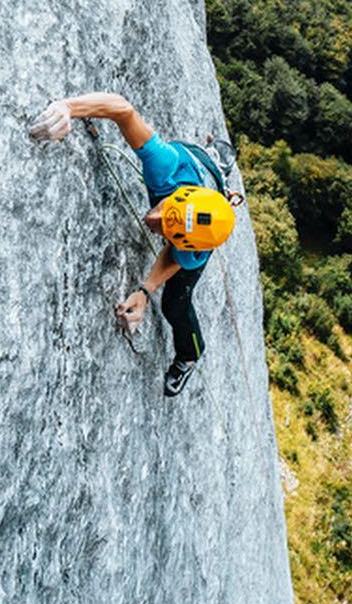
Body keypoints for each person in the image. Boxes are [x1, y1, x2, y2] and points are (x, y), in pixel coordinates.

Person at [28, 92, 243, 396]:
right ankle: (218, 158)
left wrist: (145, 291)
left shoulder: (197, 246)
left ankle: (189, 356)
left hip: (208, 194)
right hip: (195, 161)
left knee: (175, 304)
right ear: (175, 196)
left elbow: (174, 259)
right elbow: (123, 110)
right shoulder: (165, 168)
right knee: (211, 160)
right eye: (163, 212)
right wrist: (67, 109)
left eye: (165, 229)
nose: (152, 220)